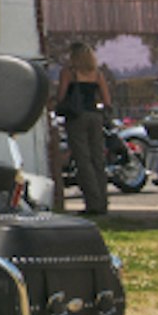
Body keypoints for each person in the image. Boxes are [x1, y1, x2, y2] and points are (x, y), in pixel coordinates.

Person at [56, 42, 114, 215]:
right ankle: (103, 201)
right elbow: (107, 100)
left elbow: (61, 96)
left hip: (76, 117)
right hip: (95, 116)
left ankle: (92, 202)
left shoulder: (69, 72)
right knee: (98, 159)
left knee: (83, 159)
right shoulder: (97, 74)